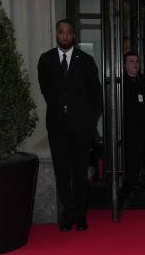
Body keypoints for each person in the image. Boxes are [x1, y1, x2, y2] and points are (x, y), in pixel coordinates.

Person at [38, 19, 101, 232]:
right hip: (57, 126)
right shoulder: (46, 60)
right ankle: (69, 213)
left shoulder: (86, 60)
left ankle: (81, 215)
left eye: (68, 33)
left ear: (74, 35)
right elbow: (46, 91)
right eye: (61, 32)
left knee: (80, 171)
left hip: (81, 128)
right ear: (56, 34)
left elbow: (96, 96)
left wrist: (89, 121)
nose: (64, 36)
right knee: (62, 171)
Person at [123, 52, 145, 201]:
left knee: (139, 158)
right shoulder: (122, 82)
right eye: (131, 61)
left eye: (137, 61)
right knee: (130, 159)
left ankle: (137, 182)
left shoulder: (142, 80)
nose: (135, 64)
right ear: (124, 64)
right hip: (128, 130)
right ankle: (130, 186)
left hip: (143, 129)